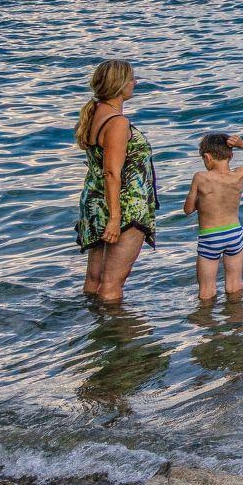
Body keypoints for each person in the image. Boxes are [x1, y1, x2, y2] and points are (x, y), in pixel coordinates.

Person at [74, 59, 158, 305]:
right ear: (119, 84)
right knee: (112, 283)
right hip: (124, 206)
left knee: (94, 279)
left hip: (95, 201)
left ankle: (92, 321)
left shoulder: (94, 114)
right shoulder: (117, 123)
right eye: (131, 79)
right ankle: (116, 328)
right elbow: (112, 172)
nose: (135, 83)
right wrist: (115, 218)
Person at [182, 133, 243, 307]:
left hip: (210, 237)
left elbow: (188, 209)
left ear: (207, 157)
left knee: (206, 291)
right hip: (234, 234)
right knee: (235, 285)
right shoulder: (238, 175)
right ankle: (236, 317)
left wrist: (203, 201)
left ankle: (207, 321)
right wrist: (242, 143)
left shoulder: (200, 177)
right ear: (231, 156)